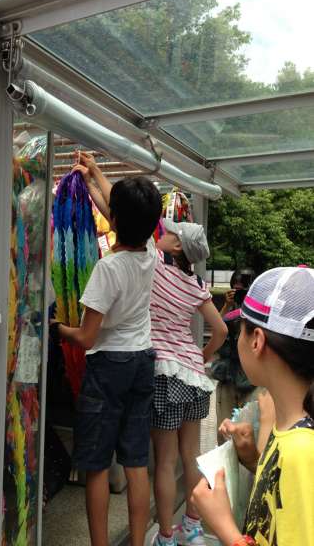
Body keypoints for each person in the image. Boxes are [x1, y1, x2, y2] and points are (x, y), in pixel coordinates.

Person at [51, 152, 162, 546]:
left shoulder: (107, 269)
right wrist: (94, 172)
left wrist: (56, 327)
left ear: (113, 220)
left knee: (96, 464)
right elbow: (123, 212)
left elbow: (86, 337)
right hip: (142, 360)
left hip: (108, 366)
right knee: (135, 462)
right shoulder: (151, 252)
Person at [191, 266, 314, 545]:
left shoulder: (302, 451)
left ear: (256, 340)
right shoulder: (291, 429)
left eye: (241, 331)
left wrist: (226, 529)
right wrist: (252, 459)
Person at [150, 220, 228, 546]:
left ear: (177, 245)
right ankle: (193, 528)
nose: (162, 234)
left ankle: (166, 537)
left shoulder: (155, 265)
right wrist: (200, 356)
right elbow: (221, 330)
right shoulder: (196, 283)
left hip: (166, 373)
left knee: (165, 462)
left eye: (169, 232)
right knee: (191, 454)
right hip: (195, 376)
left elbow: (122, 218)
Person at [211, 269, 257, 443]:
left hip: (251, 380)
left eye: (242, 289)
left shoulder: (258, 311)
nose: (239, 293)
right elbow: (218, 332)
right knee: (224, 432)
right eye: (235, 289)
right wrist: (226, 306)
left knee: (250, 431)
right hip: (228, 377)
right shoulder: (228, 311)